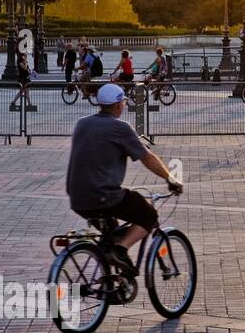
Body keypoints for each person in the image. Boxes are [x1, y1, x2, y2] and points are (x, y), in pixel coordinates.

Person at [65, 82, 183, 276]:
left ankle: (112, 281)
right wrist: (171, 178)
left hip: (77, 198)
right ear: (119, 104)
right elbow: (147, 158)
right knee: (148, 215)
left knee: (111, 236)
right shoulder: (119, 128)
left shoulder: (82, 123)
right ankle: (121, 250)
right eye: (124, 103)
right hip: (103, 195)